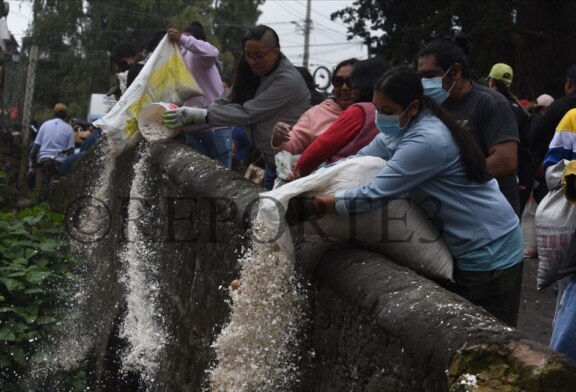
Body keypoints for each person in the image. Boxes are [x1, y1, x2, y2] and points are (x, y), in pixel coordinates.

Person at [288, 67, 524, 327]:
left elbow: (373, 195)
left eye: (387, 111)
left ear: (412, 108)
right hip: (472, 246)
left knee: (487, 338)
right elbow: (359, 159)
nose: (380, 117)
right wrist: (312, 179)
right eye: (377, 109)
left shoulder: (427, 140)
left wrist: (316, 205)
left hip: (491, 251)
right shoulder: (397, 130)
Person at [162, 25, 310, 190]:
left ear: (275, 52)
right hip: (271, 161)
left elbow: (248, 113)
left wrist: (200, 114)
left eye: (258, 56)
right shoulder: (251, 71)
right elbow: (230, 96)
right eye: (248, 55)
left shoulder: (287, 81)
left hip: (292, 164)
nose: (253, 61)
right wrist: (199, 112)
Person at [417, 39, 520, 216]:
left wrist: (450, 178)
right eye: (421, 77)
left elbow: (505, 161)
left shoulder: (490, 104)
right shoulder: (429, 109)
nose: (424, 82)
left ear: (455, 72)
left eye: (430, 75)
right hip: (454, 212)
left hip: (493, 215)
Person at [288, 56, 390, 179]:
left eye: (353, 82)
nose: (346, 88)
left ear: (364, 84)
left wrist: (297, 173)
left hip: (336, 178)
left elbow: (321, 147)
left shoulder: (359, 111)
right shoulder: (387, 112)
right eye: (338, 81)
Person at [167, 22, 232, 169]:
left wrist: (183, 39)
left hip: (216, 127)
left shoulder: (202, 56)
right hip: (192, 129)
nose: (182, 41)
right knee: (197, 181)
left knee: (222, 179)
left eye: (186, 38)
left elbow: (213, 52)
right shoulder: (176, 60)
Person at [271, 58, 359, 154]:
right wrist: (279, 138)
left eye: (351, 81)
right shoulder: (316, 114)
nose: (344, 87)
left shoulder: (373, 113)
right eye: (338, 81)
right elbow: (293, 144)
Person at [486, 63, 533, 215]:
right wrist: (524, 178)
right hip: (513, 176)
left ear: (491, 82)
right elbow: (525, 148)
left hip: (487, 172)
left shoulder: (486, 105)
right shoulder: (520, 110)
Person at [29, 103, 75, 190]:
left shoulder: (45, 125)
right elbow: (71, 153)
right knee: (56, 191)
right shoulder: (69, 129)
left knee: (39, 191)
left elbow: (34, 150)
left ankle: (37, 198)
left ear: (54, 113)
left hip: (43, 161)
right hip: (59, 163)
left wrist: (33, 167)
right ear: (66, 115)